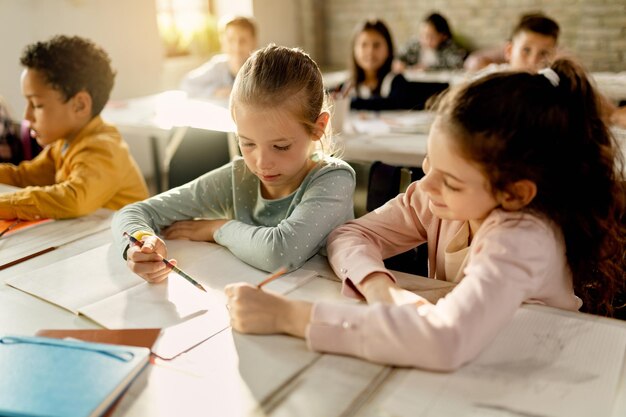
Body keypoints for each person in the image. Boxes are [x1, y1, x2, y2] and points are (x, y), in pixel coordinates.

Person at [225, 59, 626, 371]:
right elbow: (348, 236)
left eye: (451, 181)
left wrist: (291, 316)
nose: (426, 185)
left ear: (515, 193)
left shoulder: (523, 235)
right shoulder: (436, 198)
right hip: (469, 367)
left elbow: (444, 340)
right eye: (428, 163)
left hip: (542, 378)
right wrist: (380, 286)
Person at [113, 44, 356, 281]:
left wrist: (216, 229)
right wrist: (141, 242)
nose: (262, 163)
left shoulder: (334, 179)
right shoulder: (238, 176)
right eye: (248, 143)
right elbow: (135, 211)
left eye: (281, 146)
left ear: (318, 127)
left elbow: (279, 253)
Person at [0, 35, 148, 220]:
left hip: (128, 242)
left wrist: (6, 204)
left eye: (37, 105)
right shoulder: (64, 143)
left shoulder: (103, 148)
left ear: (80, 105)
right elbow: (23, 177)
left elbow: (72, 199)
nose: (26, 116)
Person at [345, 19, 417, 111]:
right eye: (364, 45)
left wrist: (349, 103)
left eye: (376, 45)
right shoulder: (348, 86)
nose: (370, 51)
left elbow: (393, 103)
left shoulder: (396, 81)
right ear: (354, 50)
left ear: (388, 49)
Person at [180, 15, 257, 100]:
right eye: (231, 40)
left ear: (254, 42)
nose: (236, 47)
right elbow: (187, 83)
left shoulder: (261, 69)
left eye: (243, 41)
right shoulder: (218, 67)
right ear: (223, 42)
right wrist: (214, 91)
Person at [465, 12, 559, 73]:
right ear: (509, 51)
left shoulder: (551, 86)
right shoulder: (491, 78)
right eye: (526, 50)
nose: (533, 61)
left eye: (543, 53)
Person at [396, 12, 467, 71]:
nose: (425, 40)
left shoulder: (449, 47)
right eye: (422, 35)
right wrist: (399, 63)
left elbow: (457, 65)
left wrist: (429, 69)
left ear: (443, 36)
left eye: (431, 37)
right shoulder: (415, 45)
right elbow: (399, 56)